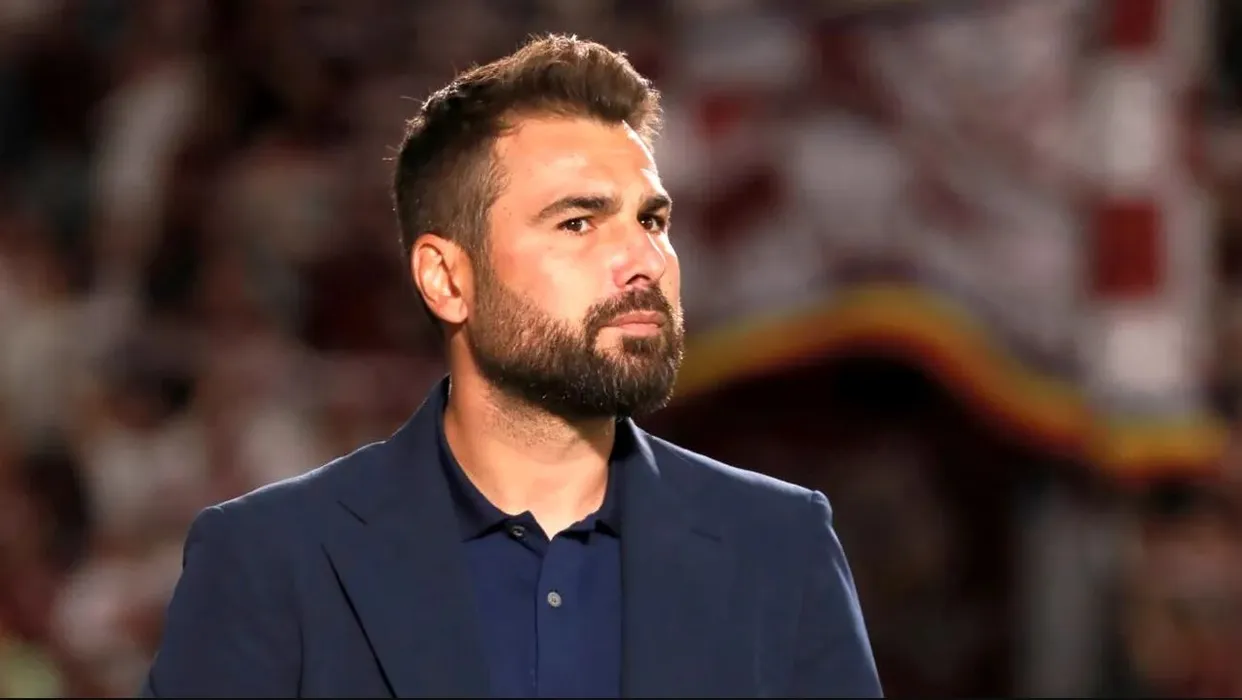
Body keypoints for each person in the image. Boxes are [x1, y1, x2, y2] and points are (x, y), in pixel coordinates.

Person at [141, 34, 882, 698]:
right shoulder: (271, 561)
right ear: (446, 279)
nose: (645, 259)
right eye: (578, 222)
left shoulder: (782, 548)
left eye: (651, 220)